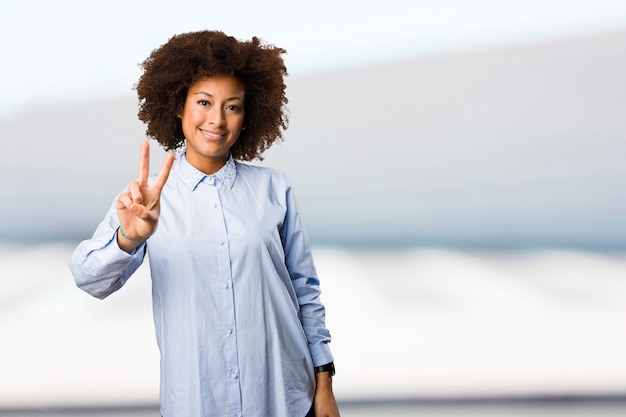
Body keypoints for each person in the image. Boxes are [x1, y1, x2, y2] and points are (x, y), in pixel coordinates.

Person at [69, 30, 340, 417]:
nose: (217, 119)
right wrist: (128, 237)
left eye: (233, 106)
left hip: (283, 398)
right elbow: (88, 277)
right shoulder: (146, 202)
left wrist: (324, 383)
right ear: (178, 106)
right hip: (197, 400)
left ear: (248, 115)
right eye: (203, 102)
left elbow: (305, 291)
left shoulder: (274, 189)